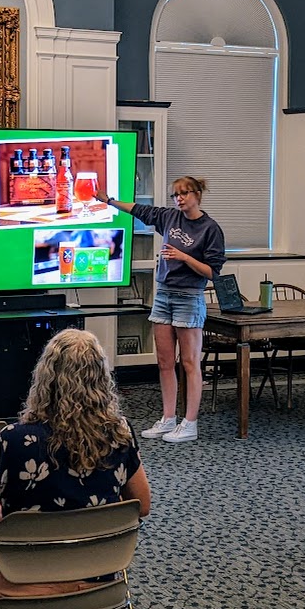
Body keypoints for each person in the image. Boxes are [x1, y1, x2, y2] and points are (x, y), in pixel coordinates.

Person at [0, 329, 150, 609]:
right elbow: (140, 506)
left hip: (21, 581)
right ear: (101, 380)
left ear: (44, 379)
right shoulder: (120, 437)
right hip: (98, 580)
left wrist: (6, 520)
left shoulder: (12, 440)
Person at [99, 176, 225, 443]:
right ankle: (168, 419)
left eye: (183, 194)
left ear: (197, 194)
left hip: (189, 297)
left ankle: (190, 423)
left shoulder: (210, 228)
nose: (178, 199)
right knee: (165, 363)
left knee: (190, 363)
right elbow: (139, 210)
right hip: (164, 294)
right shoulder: (169, 218)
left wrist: (184, 257)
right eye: (175, 195)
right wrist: (108, 201)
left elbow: (213, 272)